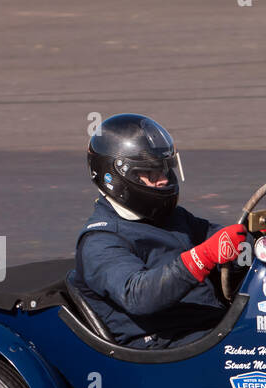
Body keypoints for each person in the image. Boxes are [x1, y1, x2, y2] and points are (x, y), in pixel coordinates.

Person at [68, 113, 248, 348]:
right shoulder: (100, 241)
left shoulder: (172, 218)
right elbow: (138, 296)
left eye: (164, 170)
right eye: (151, 173)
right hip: (167, 343)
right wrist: (202, 257)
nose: (163, 180)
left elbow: (225, 241)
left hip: (210, 328)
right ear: (116, 177)